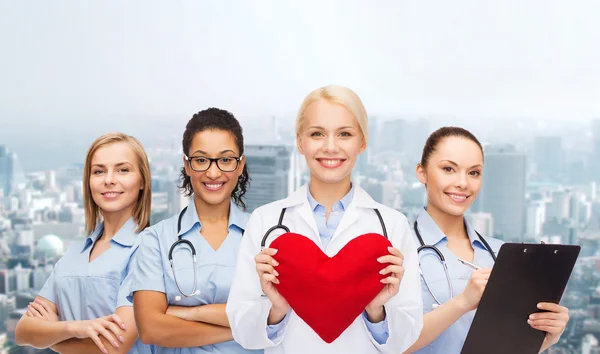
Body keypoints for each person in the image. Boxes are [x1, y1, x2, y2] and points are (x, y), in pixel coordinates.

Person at [226, 85, 423, 354]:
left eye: (344, 134)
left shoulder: (392, 226)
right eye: (317, 134)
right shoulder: (265, 222)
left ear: (362, 142)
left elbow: (406, 338)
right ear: (300, 142)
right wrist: (277, 308)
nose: (330, 147)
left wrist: (376, 309)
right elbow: (243, 331)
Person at [403, 127, 570, 354]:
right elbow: (387, 345)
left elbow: (508, 345)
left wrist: (548, 335)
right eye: (448, 169)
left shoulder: (501, 253)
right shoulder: (399, 249)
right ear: (421, 173)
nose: (463, 183)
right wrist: (463, 302)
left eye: (474, 173)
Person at [130, 108, 260, 353]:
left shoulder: (263, 236)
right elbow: (151, 329)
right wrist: (245, 328)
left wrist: (191, 313)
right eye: (201, 160)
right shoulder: (155, 240)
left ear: (240, 165)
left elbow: (274, 314)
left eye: (225, 159)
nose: (213, 172)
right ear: (187, 166)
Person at [15, 132, 153, 354]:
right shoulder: (74, 253)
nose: (109, 179)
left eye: (123, 170)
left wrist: (52, 336)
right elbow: (23, 332)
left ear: (143, 181)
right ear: (88, 182)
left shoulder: (148, 250)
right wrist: (76, 327)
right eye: (99, 171)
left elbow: (114, 345)